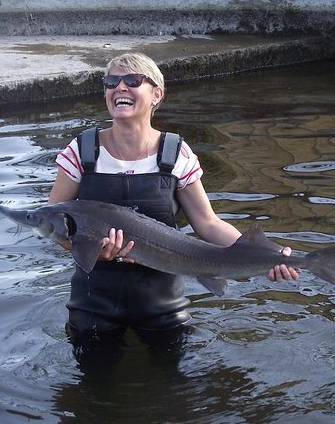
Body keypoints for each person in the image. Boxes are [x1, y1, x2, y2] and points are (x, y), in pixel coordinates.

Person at [49, 52, 299, 341]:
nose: (119, 88)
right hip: (93, 302)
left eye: (132, 80)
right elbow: (53, 223)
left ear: (157, 94)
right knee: (93, 382)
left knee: (175, 382)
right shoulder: (81, 150)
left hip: (161, 303)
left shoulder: (176, 152)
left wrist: (268, 255)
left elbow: (208, 223)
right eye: (111, 82)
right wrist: (94, 251)